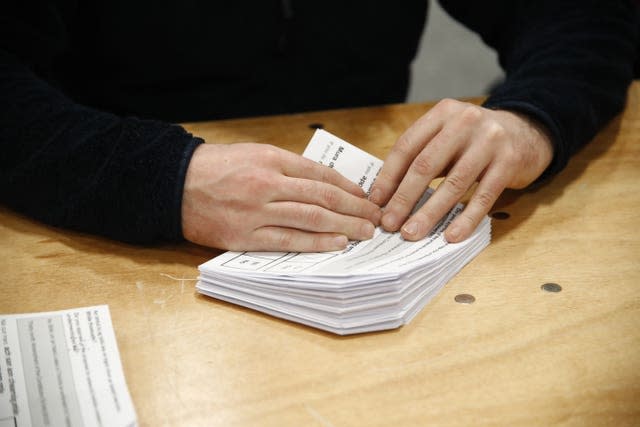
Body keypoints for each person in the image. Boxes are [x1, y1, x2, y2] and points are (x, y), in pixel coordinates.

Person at [1, 1, 637, 252]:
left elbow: (586, 14)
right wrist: (162, 178)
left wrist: (529, 119)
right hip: (106, 229)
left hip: (367, 220)